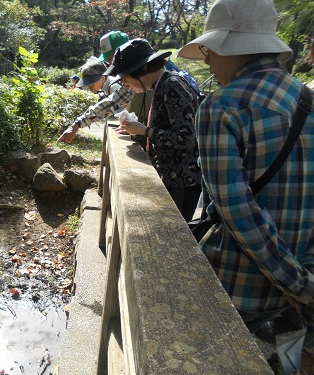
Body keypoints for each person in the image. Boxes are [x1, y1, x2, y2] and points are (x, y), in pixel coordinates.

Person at [176, 0, 314, 372]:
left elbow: (237, 213)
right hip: (302, 291)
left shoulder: (221, 107)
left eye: (208, 51)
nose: (206, 61)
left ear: (231, 48)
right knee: (287, 363)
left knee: (206, 361)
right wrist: (305, 285)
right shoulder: (308, 100)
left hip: (239, 287)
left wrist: (297, 283)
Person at [104, 38, 202, 222]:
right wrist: (139, 131)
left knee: (172, 234)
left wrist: (146, 131)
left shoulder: (171, 85)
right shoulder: (163, 84)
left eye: (126, 77)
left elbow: (186, 137)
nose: (124, 83)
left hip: (182, 180)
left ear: (142, 69)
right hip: (173, 177)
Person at [57, 30, 134, 144]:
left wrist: (77, 125)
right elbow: (108, 104)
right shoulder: (126, 77)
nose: (110, 63)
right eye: (108, 59)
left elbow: (111, 103)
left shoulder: (130, 78)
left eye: (111, 57)